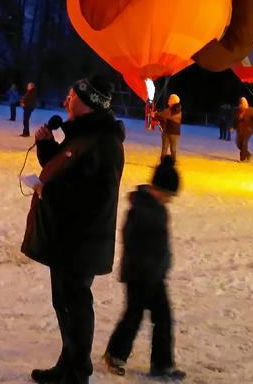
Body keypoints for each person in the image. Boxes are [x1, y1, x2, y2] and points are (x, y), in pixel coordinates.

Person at [21, 75, 126, 384]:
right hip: (66, 236)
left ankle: (77, 372)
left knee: (75, 303)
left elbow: (97, 195)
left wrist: (48, 192)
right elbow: (67, 170)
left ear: (89, 103)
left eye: (71, 96)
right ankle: (68, 366)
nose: (65, 101)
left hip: (82, 239)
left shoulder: (104, 143)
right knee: (64, 302)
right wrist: (45, 148)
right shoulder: (83, 136)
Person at [103, 156, 186, 380]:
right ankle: (115, 354)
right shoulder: (140, 209)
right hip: (139, 274)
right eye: (168, 195)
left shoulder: (158, 209)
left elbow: (160, 243)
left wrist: (163, 263)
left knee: (164, 318)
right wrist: (147, 264)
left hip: (155, 274)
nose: (169, 200)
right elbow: (131, 241)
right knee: (134, 315)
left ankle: (162, 363)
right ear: (157, 189)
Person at [154, 95, 182, 161]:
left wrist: (156, 114)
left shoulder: (177, 109)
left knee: (173, 149)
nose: (168, 100)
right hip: (166, 132)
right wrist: (156, 115)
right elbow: (163, 116)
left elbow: (166, 115)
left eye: (170, 99)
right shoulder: (169, 109)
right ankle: (163, 163)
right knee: (165, 148)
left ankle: (172, 162)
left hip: (174, 133)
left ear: (174, 101)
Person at [235, 97, 253, 162]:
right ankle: (248, 155)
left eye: (244, 102)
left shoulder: (251, 110)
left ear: (246, 103)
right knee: (239, 144)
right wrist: (233, 127)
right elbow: (235, 120)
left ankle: (242, 159)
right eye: (241, 102)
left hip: (248, 129)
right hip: (240, 130)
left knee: (244, 143)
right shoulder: (238, 110)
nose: (242, 104)